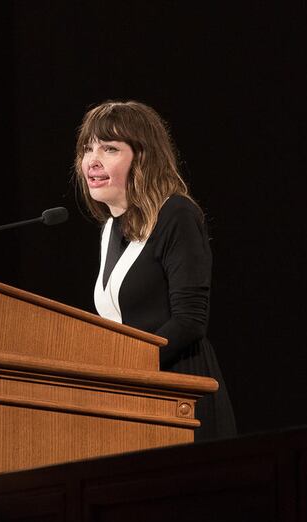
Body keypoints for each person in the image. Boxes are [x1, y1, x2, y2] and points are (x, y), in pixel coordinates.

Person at [74, 100, 236, 441]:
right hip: (134, 402)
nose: (93, 160)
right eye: (88, 149)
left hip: (182, 399)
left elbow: (190, 320)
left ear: (142, 157)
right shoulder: (109, 230)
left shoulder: (176, 215)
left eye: (110, 148)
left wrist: (126, 370)